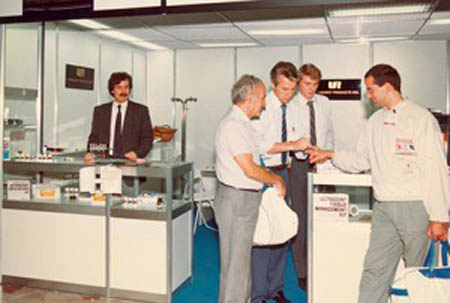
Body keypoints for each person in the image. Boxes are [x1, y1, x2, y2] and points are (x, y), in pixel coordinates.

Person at [309, 64, 450, 303]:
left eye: (371, 89)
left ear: (387, 87)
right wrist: (330, 154)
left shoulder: (420, 118)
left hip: (415, 207)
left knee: (416, 275)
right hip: (383, 208)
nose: (368, 95)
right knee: (375, 269)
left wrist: (440, 217)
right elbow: (360, 159)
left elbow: (435, 170)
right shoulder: (374, 121)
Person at [215, 74, 286, 303]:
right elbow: (250, 169)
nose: (265, 104)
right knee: (236, 267)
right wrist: (276, 179)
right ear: (249, 98)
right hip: (237, 201)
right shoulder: (234, 126)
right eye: (263, 98)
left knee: (241, 264)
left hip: (242, 200)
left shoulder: (242, 125)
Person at [250, 62, 311, 303]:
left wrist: (304, 149)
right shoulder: (262, 109)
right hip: (263, 174)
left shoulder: (293, 108)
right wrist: (292, 145)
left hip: (285, 173)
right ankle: (258, 294)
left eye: (292, 90)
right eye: (284, 89)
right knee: (263, 235)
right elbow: (260, 146)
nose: (288, 94)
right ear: (274, 85)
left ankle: (276, 288)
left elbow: (296, 140)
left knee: (282, 232)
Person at [288, 63, 334, 291]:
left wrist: (327, 157)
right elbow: (292, 139)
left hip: (322, 165)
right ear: (298, 82)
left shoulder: (324, 103)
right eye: (307, 84)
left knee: (324, 216)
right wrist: (306, 152)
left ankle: (323, 263)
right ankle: (302, 272)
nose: (311, 89)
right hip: (299, 165)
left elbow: (329, 133)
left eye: (315, 84)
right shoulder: (292, 106)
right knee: (301, 220)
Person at [85, 72, 153, 163]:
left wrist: (136, 153)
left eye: (126, 87)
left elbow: (147, 139)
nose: (123, 91)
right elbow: (95, 137)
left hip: (131, 162)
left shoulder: (141, 111)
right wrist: (92, 153)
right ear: (112, 90)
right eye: (119, 87)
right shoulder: (100, 111)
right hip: (105, 162)